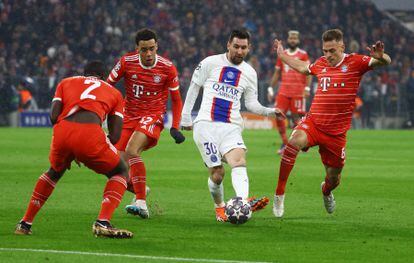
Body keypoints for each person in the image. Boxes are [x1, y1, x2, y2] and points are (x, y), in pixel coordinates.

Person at [272, 29, 391, 218]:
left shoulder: (356, 62)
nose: (328, 55)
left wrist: (381, 56)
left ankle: (326, 191)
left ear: (342, 47)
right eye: (325, 50)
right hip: (314, 124)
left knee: (333, 178)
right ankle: (279, 195)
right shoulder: (320, 63)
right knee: (293, 142)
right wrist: (282, 55)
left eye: (332, 51)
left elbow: (384, 61)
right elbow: (303, 67)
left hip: (336, 134)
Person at [15, 61, 133, 238]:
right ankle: (103, 222)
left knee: (54, 172)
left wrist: (73, 148)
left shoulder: (66, 82)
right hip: (90, 133)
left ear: (84, 74)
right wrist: (87, 147)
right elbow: (115, 136)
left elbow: (54, 116)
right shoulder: (114, 92)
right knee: (121, 171)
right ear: (104, 76)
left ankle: (24, 224)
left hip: (62, 131)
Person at [181, 29, 286, 222]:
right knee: (218, 174)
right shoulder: (210, 62)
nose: (239, 51)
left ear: (249, 48)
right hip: (206, 126)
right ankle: (220, 207)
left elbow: (251, 104)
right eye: (236, 46)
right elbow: (194, 87)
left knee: (239, 162)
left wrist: (270, 111)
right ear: (228, 44)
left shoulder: (249, 72)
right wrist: (186, 117)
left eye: (243, 48)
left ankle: (243, 203)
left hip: (231, 127)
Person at [107, 28, 185, 219]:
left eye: (152, 48)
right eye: (144, 50)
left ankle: (141, 203)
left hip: (153, 116)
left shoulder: (167, 67)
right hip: (128, 117)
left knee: (133, 150)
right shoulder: (126, 62)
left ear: (157, 46)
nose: (148, 54)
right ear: (137, 48)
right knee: (113, 167)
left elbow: (176, 99)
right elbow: (107, 86)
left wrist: (175, 126)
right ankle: (140, 189)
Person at [267, 30, 312, 154]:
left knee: (297, 120)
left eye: (295, 38)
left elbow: (309, 72)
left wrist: (307, 88)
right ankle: (285, 143)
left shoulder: (303, 54)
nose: (293, 40)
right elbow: (277, 72)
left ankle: (301, 143)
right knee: (278, 115)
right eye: (291, 38)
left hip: (298, 92)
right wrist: (270, 88)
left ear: (298, 40)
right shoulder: (283, 54)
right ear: (288, 39)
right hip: (283, 91)